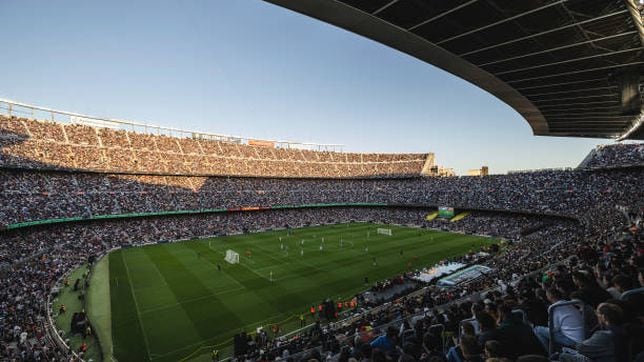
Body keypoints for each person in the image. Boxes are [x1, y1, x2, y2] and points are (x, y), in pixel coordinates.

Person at [559, 302, 626, 362]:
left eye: (597, 313)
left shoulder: (604, 335)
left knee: (562, 356)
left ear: (603, 317)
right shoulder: (625, 329)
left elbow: (581, 348)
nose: (596, 315)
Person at [533, 287, 584, 353]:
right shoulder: (568, 303)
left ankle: (550, 354)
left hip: (573, 340)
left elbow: (554, 329)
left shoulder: (553, 308)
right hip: (582, 336)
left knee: (537, 329)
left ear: (550, 296)